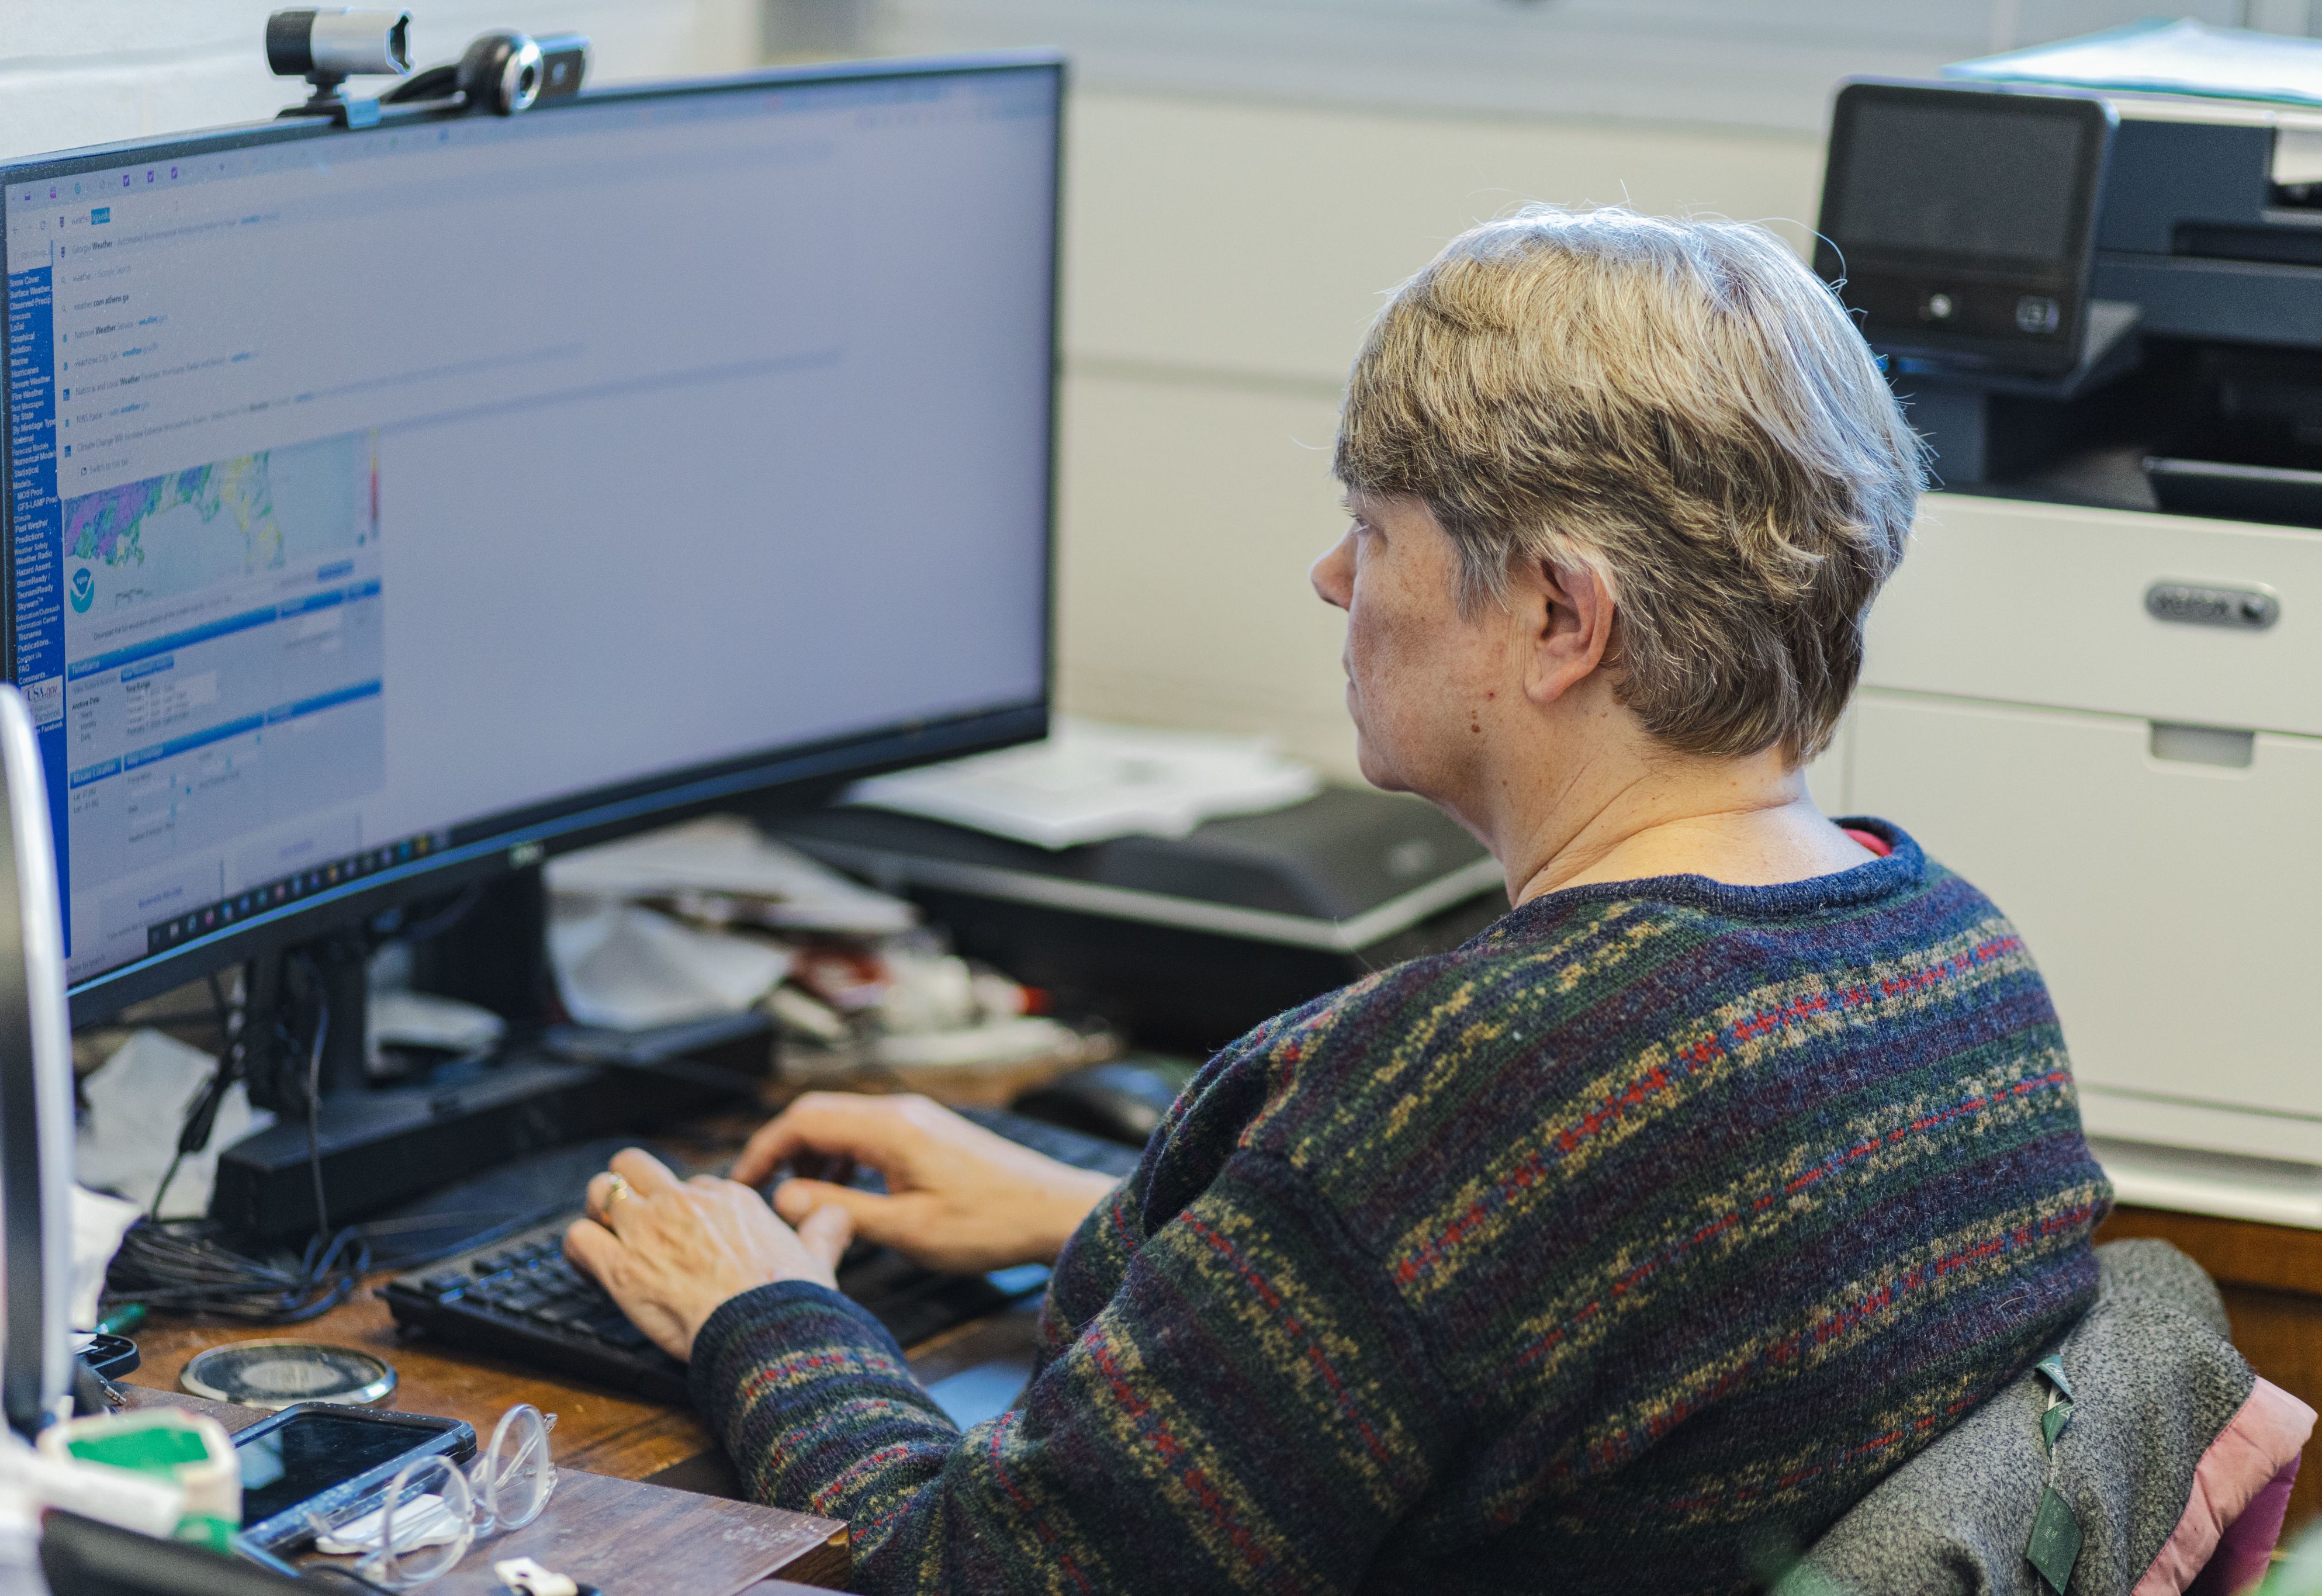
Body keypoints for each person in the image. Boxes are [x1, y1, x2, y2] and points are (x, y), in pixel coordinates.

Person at [562, 206, 2113, 1593]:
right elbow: (1547, 1332)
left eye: (1376, 532)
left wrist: (763, 1308)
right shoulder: (1958, 957)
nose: (1330, 578)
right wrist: (1110, 1221)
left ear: (1561, 614)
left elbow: (986, 1571)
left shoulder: (1471, 1096)